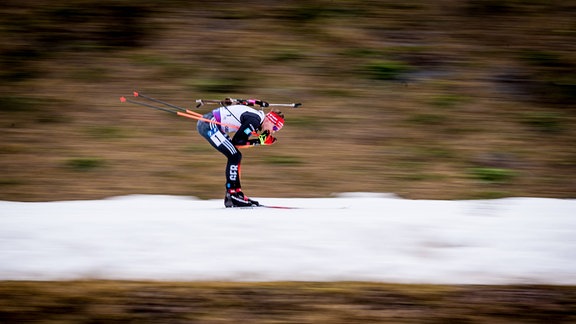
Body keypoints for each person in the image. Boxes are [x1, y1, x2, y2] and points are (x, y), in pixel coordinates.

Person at [196, 99, 285, 207]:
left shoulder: (256, 119)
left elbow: (238, 143)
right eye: (274, 128)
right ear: (269, 120)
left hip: (210, 124)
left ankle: (236, 193)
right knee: (234, 155)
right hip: (209, 124)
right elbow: (237, 141)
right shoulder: (254, 120)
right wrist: (260, 141)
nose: (273, 131)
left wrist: (260, 141)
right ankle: (232, 194)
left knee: (235, 155)